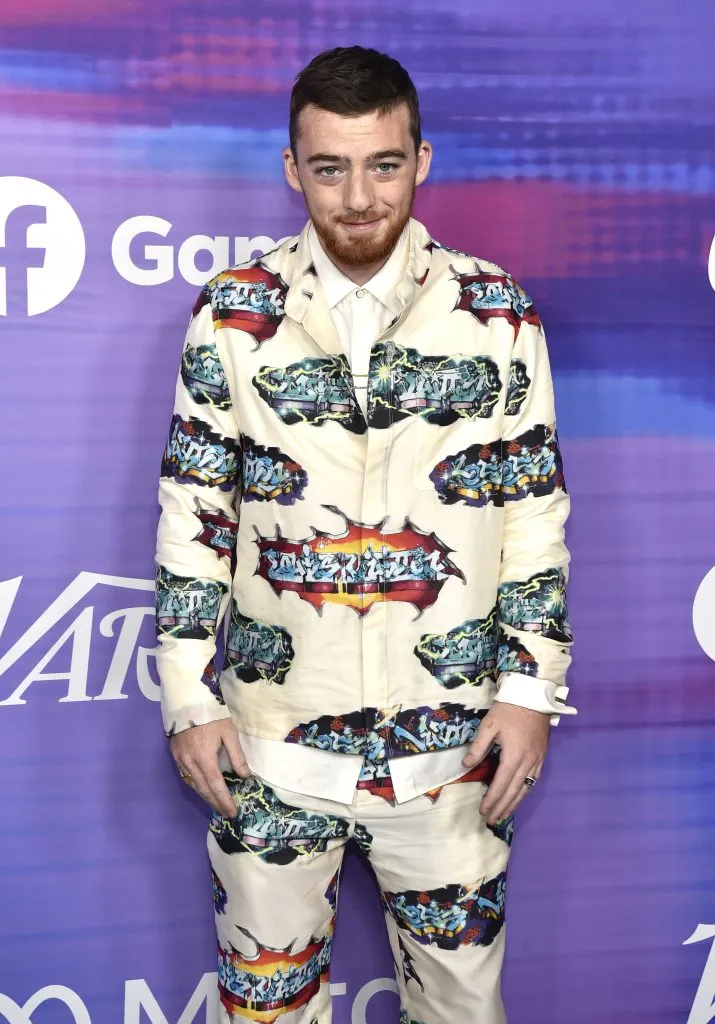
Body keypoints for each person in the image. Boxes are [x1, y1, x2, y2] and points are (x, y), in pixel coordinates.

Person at [155, 45, 576, 1024]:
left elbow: (530, 508)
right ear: (292, 167)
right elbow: (195, 509)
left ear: (420, 160)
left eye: (382, 164)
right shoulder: (231, 314)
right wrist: (186, 698)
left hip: (451, 752)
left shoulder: (497, 313)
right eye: (330, 166)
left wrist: (528, 691)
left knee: (463, 1011)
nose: (358, 195)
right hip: (270, 753)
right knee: (265, 1013)